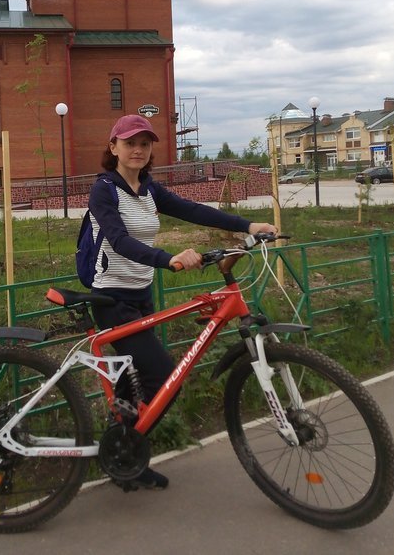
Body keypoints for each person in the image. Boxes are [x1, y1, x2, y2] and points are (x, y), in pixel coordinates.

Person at [87, 114, 277, 490]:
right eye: (130, 143)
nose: (138, 149)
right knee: (163, 377)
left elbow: (193, 210)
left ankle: (125, 458)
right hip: (111, 296)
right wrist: (167, 258)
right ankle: (124, 453)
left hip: (140, 294)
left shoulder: (148, 189)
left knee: (132, 383)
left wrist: (248, 225)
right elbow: (119, 240)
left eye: (145, 143)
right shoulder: (104, 189)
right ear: (113, 148)